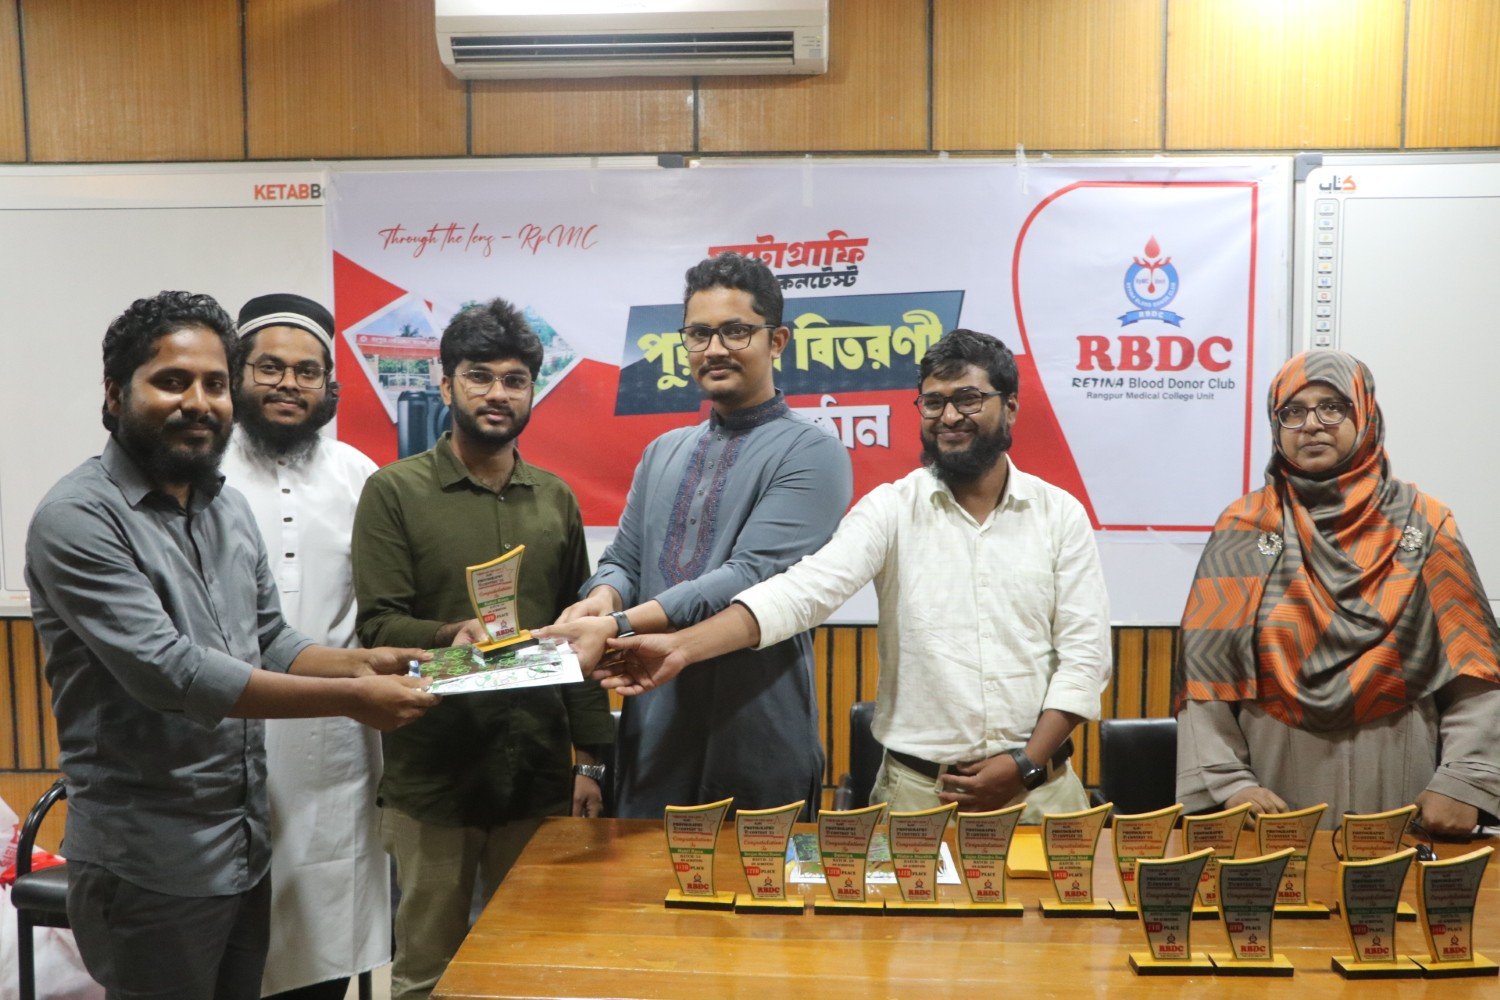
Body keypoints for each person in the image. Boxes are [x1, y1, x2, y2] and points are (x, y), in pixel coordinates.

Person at [25, 290, 437, 1000]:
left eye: (214, 384)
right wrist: (353, 697)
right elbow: (174, 674)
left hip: (243, 847)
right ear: (115, 393)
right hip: (148, 861)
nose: (199, 402)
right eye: (172, 381)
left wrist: (367, 662)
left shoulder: (225, 507)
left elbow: (268, 637)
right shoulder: (78, 517)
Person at [598, 329, 1111, 820]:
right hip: (917, 801)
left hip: (1042, 795)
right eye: (934, 402)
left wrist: (1024, 765)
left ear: (1010, 406)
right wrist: (681, 647)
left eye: (969, 399)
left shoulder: (1059, 515)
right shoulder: (891, 508)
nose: (950, 416)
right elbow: (801, 593)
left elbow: (1085, 659)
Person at [351, 297, 613, 1000]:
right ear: (445, 384)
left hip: (536, 775)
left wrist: (591, 761)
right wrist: (448, 635)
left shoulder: (555, 499)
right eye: (479, 376)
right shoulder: (394, 492)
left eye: (515, 380)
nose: (498, 393)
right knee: (427, 974)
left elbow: (581, 638)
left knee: (531, 967)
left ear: (532, 391)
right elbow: (377, 626)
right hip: (434, 774)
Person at [538, 252, 853, 819]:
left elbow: (749, 576)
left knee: (754, 876)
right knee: (643, 874)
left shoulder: (813, 453)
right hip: (654, 727)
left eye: (736, 331)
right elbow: (624, 559)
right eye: (699, 334)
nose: (715, 349)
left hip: (758, 726)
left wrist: (617, 625)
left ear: (777, 341)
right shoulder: (663, 451)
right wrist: (601, 598)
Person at [1174, 350, 1500, 833]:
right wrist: (1228, 784)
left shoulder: (1425, 524)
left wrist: (1464, 781)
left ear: (1364, 414)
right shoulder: (1243, 529)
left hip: (1402, 782)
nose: (1311, 424)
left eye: (1332, 407)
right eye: (1293, 411)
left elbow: (1475, 670)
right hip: (1273, 790)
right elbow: (1207, 678)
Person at [220, 293, 386, 1000]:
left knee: (324, 940)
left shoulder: (361, 475)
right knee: (226, 950)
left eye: (307, 371)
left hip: (333, 742)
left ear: (330, 386)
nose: (288, 383)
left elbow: (384, 608)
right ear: (237, 373)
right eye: (270, 367)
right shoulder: (201, 470)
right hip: (221, 733)